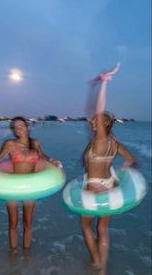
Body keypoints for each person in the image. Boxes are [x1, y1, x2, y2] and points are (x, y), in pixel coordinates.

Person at [81, 64, 136, 275]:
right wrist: (120, 171)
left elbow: (98, 106)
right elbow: (130, 159)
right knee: (102, 228)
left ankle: (96, 261)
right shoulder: (114, 142)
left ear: (102, 124)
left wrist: (103, 82)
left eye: (95, 120)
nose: (91, 121)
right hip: (110, 185)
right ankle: (103, 269)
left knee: (86, 225)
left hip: (95, 186)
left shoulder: (101, 139)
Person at [0, 116, 60, 251]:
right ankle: (13, 252)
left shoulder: (36, 143)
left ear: (27, 127)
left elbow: (43, 157)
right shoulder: (10, 144)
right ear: (14, 131)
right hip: (13, 189)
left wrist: (53, 161)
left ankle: (26, 253)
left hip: (30, 188)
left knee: (28, 223)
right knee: (13, 223)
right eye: (16, 127)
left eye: (21, 126)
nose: (19, 129)